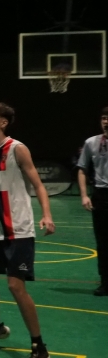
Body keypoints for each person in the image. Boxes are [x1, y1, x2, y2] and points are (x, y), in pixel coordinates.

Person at [0, 103, 55, 358]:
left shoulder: (17, 149)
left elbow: (38, 184)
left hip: (18, 229)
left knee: (16, 287)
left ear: (3, 122)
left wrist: (47, 214)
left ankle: (40, 349)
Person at [77, 107, 108, 296]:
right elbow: (82, 169)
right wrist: (84, 195)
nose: (106, 121)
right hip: (101, 195)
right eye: (104, 118)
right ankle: (105, 282)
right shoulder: (91, 142)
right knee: (103, 241)